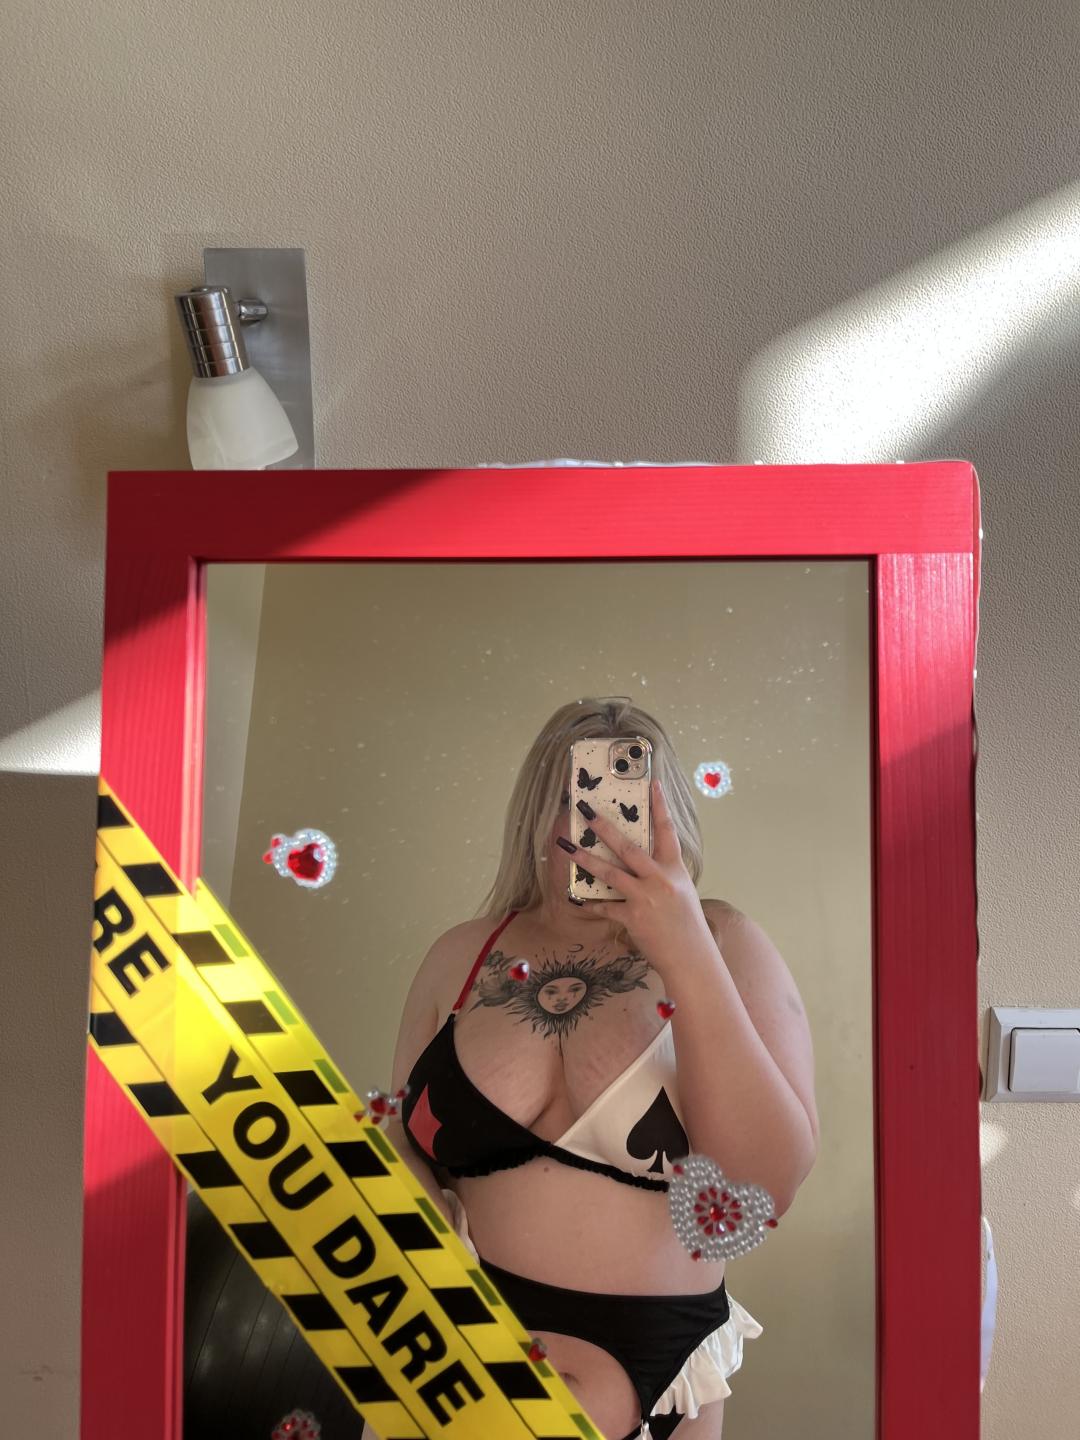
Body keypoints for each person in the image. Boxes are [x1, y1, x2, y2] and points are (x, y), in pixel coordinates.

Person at [373, 698, 819, 1440]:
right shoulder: (460, 954)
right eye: (574, 797)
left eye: (624, 801)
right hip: (452, 1371)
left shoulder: (726, 942)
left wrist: (683, 948)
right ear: (535, 815)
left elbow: (763, 1191)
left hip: (658, 1383)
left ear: (665, 812)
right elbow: (400, 1142)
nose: (598, 824)